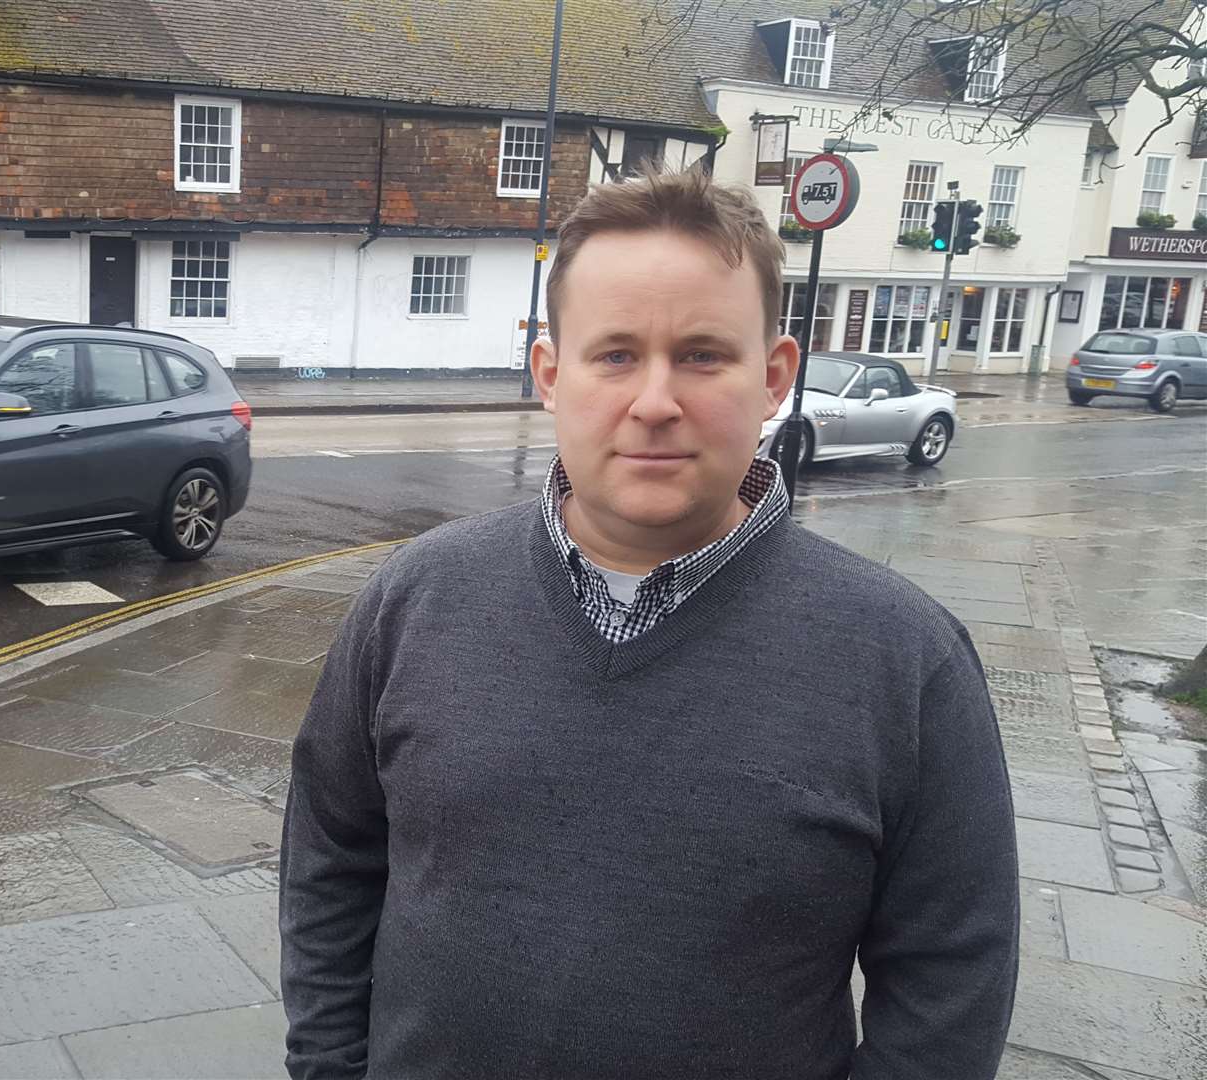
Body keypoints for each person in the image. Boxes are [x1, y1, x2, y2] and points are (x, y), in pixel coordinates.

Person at [280, 170, 1019, 1080]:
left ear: (775, 377)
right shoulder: (412, 599)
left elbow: (950, 982)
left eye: (703, 355)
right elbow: (330, 861)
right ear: (552, 375)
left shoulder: (907, 659)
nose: (656, 401)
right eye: (616, 354)